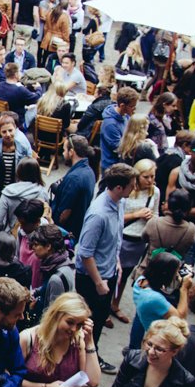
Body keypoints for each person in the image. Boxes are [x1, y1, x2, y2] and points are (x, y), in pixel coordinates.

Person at [74, 164, 136, 373]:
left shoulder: (119, 203)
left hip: (108, 271)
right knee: (90, 321)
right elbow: (85, 252)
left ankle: (90, 354)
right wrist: (99, 282)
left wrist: (116, 262)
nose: (133, 189)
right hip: (92, 278)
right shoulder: (98, 214)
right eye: (131, 186)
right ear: (119, 187)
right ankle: (82, 360)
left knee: (98, 320)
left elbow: (114, 239)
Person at [0, 114, 34, 256]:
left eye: (10, 130)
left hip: (14, 194)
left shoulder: (22, 148)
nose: (8, 134)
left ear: (15, 129)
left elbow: (28, 170)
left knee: (12, 225)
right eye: (4, 131)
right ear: (0, 131)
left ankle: (6, 255)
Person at [113, 159, 159, 324]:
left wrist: (151, 217)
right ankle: (105, 308)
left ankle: (115, 305)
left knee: (125, 275)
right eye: (146, 176)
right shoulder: (128, 193)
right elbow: (116, 217)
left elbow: (156, 213)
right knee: (113, 274)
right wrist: (136, 215)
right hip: (123, 237)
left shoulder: (155, 192)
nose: (150, 180)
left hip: (140, 239)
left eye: (153, 176)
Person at [50, 135, 96, 239]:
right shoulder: (89, 171)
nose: (63, 152)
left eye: (64, 150)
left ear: (71, 152)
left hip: (65, 231)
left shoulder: (74, 178)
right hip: (77, 226)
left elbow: (64, 213)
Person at [0, 158, 47, 237]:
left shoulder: (8, 192)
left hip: (10, 237)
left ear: (18, 172)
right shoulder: (42, 192)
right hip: (34, 239)